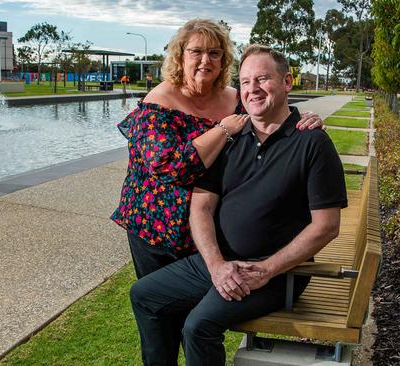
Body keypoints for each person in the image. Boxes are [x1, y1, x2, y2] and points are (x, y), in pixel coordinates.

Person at [129, 44, 348, 366]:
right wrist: (216, 265)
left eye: (262, 79)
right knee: (144, 294)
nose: (252, 89)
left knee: (199, 326)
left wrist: (264, 270)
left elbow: (326, 226)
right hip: (218, 263)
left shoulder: (312, 143)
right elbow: (201, 207)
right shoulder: (230, 139)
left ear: (287, 82)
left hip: (275, 273)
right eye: (245, 82)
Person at [111, 19, 322, 280]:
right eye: (196, 51)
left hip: (210, 230)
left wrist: (303, 118)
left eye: (214, 53)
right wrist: (222, 129)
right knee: (159, 306)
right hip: (156, 228)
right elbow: (171, 168)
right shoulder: (159, 103)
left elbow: (270, 119)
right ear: (180, 56)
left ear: (223, 60)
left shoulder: (236, 100)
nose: (205, 60)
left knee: (208, 309)